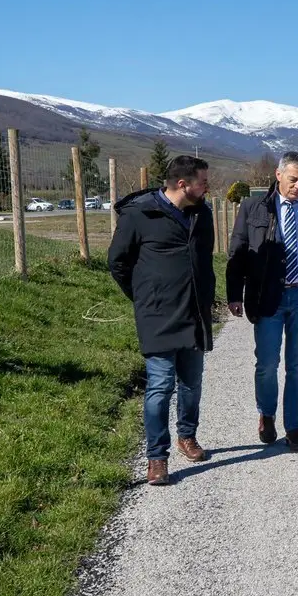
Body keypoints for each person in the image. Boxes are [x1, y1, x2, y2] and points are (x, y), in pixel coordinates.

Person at [109, 155, 215, 486]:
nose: (206, 187)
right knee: (160, 385)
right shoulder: (140, 215)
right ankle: (157, 457)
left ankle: (187, 436)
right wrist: (144, 297)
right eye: (202, 181)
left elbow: (205, 260)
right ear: (183, 184)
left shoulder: (202, 214)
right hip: (157, 315)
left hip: (194, 312)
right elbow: (117, 263)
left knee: (192, 382)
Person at [226, 151, 298, 452]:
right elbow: (238, 251)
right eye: (293, 179)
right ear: (278, 176)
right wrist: (234, 293)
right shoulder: (254, 208)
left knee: (297, 366)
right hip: (267, 295)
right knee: (266, 363)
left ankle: (295, 428)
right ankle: (267, 413)